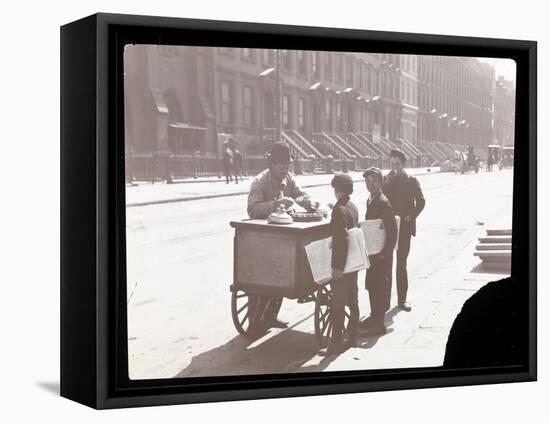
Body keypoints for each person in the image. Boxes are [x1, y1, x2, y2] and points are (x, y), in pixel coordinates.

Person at [247, 142, 319, 328]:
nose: (284, 170)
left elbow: (300, 195)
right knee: (262, 280)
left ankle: (270, 316)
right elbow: (252, 209)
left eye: (287, 166)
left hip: (282, 238)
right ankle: (254, 320)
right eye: (281, 166)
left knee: (284, 271)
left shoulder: (289, 179)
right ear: (272, 164)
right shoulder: (260, 181)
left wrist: (310, 203)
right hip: (262, 239)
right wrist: (276, 204)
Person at [321, 173, 360, 355]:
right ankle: (352, 337)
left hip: (342, 265)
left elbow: (341, 240)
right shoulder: (351, 206)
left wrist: (337, 267)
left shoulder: (338, 210)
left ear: (337, 190)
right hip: (353, 263)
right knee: (352, 299)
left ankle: (335, 344)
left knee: (337, 302)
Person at [382, 149, 425, 312]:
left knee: (401, 265)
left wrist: (410, 216)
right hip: (388, 228)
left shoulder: (411, 180)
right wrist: (387, 183)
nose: (394, 168)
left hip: (404, 229)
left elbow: (421, 201)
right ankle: (385, 302)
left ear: (403, 164)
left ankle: (402, 300)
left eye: (397, 164)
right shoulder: (386, 179)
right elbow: (380, 199)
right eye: (392, 164)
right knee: (386, 265)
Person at [360, 167, 397, 335]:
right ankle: (374, 316)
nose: (371, 184)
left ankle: (379, 324)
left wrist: (385, 253)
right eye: (368, 181)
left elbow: (392, 231)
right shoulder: (371, 200)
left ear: (381, 183)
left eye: (374, 181)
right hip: (373, 252)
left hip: (381, 254)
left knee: (380, 287)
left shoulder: (383, 202)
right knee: (372, 285)